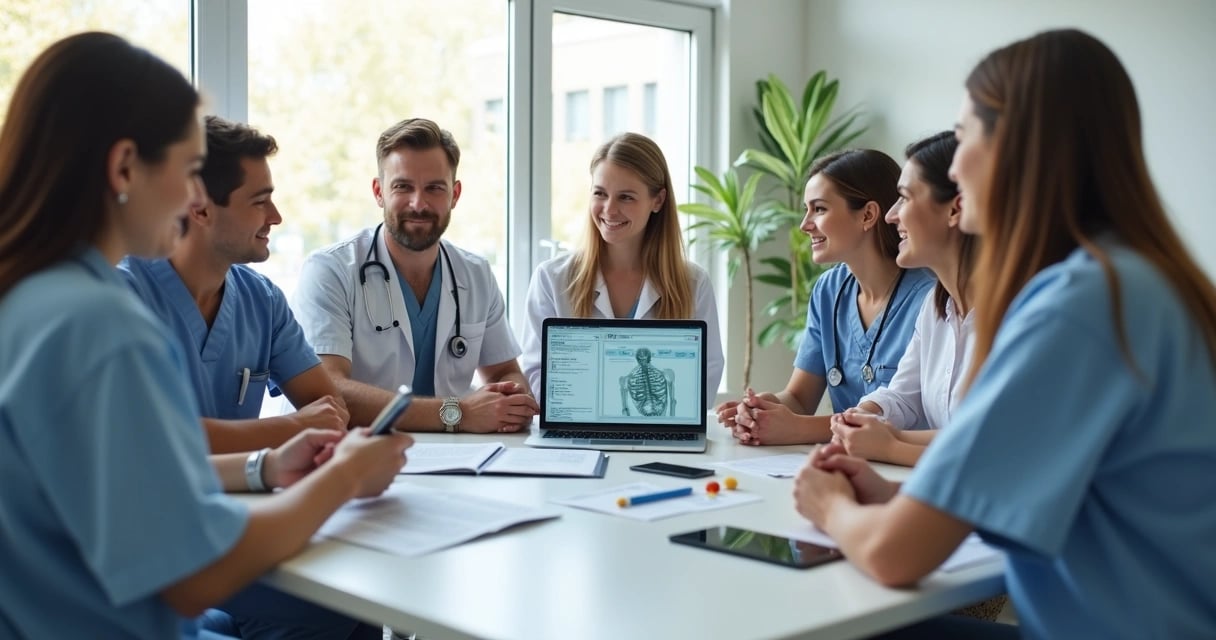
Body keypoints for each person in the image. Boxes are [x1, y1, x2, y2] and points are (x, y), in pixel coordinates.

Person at [794, 29, 1216, 639]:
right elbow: (1030, 492)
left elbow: (894, 554)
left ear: (1022, 148)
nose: (957, 165)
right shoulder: (1135, 280)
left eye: (965, 137)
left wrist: (829, 507)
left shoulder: (1080, 306)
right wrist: (888, 495)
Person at [0, 32, 413, 640]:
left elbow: (121, 478)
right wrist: (346, 476)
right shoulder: (103, 326)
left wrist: (265, 466)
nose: (194, 198)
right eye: (190, 170)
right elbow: (194, 571)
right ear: (123, 168)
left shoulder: (28, 298)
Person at [121, 115, 350, 454]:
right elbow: (152, 436)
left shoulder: (262, 300)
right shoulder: (122, 297)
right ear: (199, 209)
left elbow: (331, 409)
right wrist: (292, 427)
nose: (275, 216)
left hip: (247, 492)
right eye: (260, 202)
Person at [294, 118, 538, 434]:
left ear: (455, 194)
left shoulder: (475, 273)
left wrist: (511, 398)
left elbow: (504, 370)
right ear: (379, 191)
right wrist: (457, 413)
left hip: (453, 459)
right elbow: (329, 390)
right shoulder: (330, 271)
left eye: (434, 188)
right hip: (353, 456)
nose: (418, 204)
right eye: (403, 186)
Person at [717, 149, 934, 445]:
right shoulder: (828, 290)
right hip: (844, 460)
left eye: (819, 209)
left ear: (868, 215)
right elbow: (798, 398)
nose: (805, 224)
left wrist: (795, 429)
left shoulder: (930, 298)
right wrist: (764, 410)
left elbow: (898, 417)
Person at [519, 132, 724, 407]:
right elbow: (538, 375)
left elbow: (704, 381)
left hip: (662, 435)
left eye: (626, 197)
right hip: (577, 430)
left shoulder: (693, 283)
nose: (609, 209)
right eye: (600, 194)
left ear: (658, 201)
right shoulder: (551, 279)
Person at [828, 131, 977, 467]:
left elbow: (983, 439)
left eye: (905, 199)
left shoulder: (1013, 315)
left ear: (955, 210)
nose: (891, 215)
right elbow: (903, 396)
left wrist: (888, 443)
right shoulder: (937, 308)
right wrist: (863, 415)